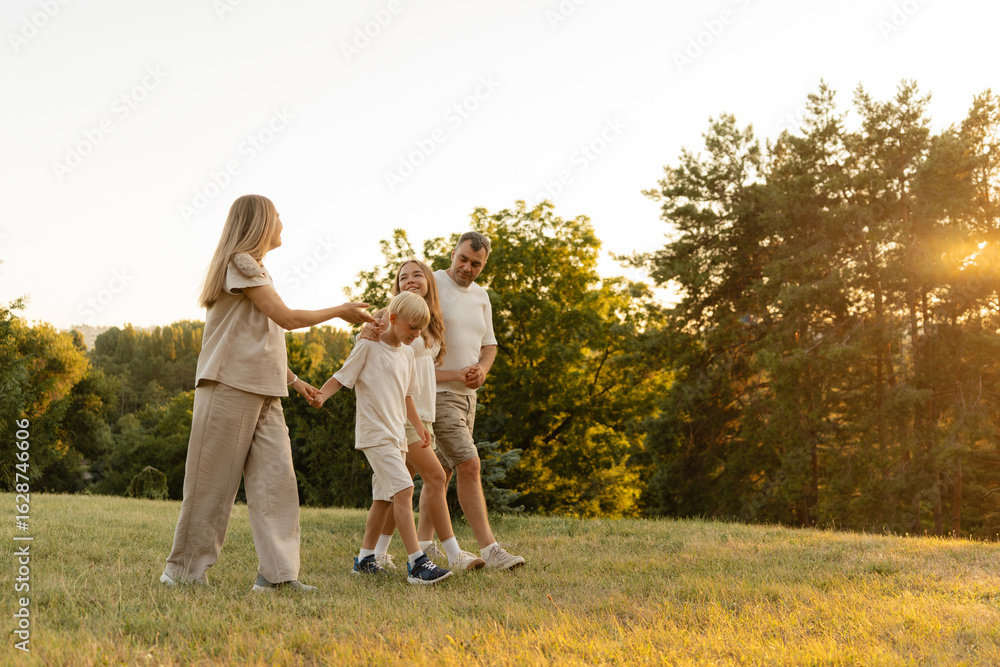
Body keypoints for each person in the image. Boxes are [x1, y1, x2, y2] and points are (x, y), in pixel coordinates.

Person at [160, 194, 374, 592]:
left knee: (277, 483)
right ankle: (182, 573)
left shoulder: (256, 269)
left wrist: (293, 380)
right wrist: (339, 311)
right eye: (277, 216)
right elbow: (286, 319)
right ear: (259, 222)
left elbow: (259, 337)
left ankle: (277, 576)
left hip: (266, 389)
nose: (282, 224)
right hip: (228, 386)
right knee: (211, 486)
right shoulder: (241, 262)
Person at [362, 232, 525, 570]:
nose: (467, 267)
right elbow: (389, 323)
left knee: (429, 476)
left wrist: (481, 370)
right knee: (465, 464)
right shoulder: (429, 282)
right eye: (463, 259)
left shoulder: (479, 297)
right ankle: (484, 549)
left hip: (461, 399)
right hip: (427, 400)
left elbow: (489, 345)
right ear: (453, 254)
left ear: (484, 265)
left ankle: (390, 551)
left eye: (476, 264)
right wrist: (366, 331)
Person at [309, 290, 453, 585]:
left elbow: (407, 395)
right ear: (393, 318)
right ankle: (417, 564)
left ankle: (364, 559)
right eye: (412, 327)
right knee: (404, 489)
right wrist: (322, 395)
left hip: (397, 434)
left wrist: (419, 427)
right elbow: (342, 376)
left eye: (421, 329)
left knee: (384, 498)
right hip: (375, 435)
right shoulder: (368, 346)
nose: (416, 334)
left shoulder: (407, 354)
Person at [372, 259, 485, 572]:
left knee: (399, 485)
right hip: (400, 413)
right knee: (435, 477)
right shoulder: (389, 316)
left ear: (429, 282)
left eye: (417, 275)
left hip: (424, 413)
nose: (410, 280)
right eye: (403, 277)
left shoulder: (429, 321)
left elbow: (423, 372)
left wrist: (458, 375)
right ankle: (454, 554)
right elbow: (370, 349)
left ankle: (376, 554)